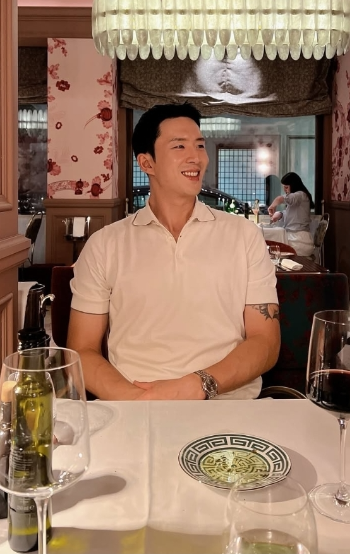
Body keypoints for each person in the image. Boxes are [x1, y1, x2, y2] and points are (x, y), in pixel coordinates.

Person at [67, 102, 280, 401]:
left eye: (200, 145)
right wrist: (139, 400)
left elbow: (265, 342)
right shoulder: (105, 245)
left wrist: (196, 386)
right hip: (132, 406)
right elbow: (83, 349)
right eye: (179, 146)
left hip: (227, 405)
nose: (197, 157)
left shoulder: (244, 236)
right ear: (147, 163)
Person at [268, 172, 315, 257]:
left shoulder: (300, 195)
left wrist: (272, 206)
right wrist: (280, 214)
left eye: (286, 187)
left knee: (271, 247)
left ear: (293, 185)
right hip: (295, 237)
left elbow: (281, 199)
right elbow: (292, 214)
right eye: (283, 187)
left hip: (299, 240)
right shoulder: (298, 198)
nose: (285, 190)